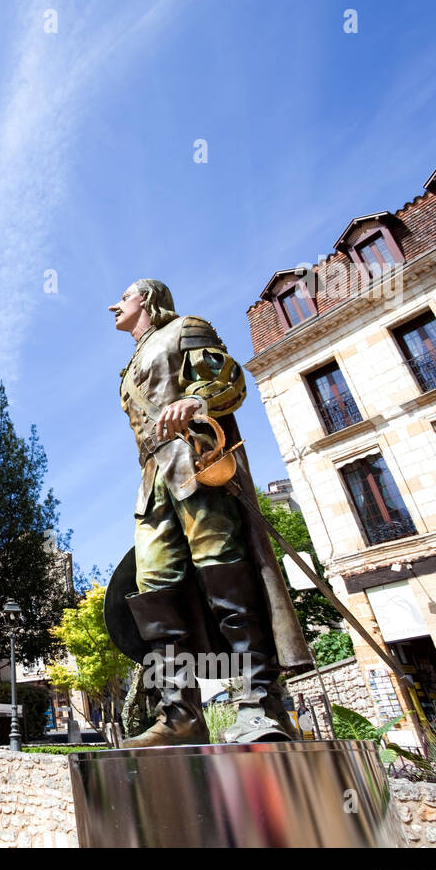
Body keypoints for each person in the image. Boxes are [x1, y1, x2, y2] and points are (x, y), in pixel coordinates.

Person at [107, 279, 308, 746]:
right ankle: (179, 714)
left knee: (222, 569)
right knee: (153, 588)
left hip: (197, 464)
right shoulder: (127, 369)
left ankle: (260, 701)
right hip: (154, 482)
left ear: (148, 300)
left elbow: (228, 380)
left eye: (124, 296)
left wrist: (193, 401)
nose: (114, 305)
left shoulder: (186, 329)